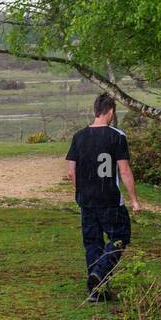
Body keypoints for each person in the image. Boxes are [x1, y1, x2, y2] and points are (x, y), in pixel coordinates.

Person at [65, 93, 141, 303]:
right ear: (111, 112)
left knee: (92, 242)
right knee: (120, 237)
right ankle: (99, 273)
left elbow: (71, 171)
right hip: (109, 198)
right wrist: (134, 199)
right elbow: (124, 170)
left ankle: (96, 290)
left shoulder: (78, 136)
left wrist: (80, 192)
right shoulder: (117, 136)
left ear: (94, 111)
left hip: (86, 199)